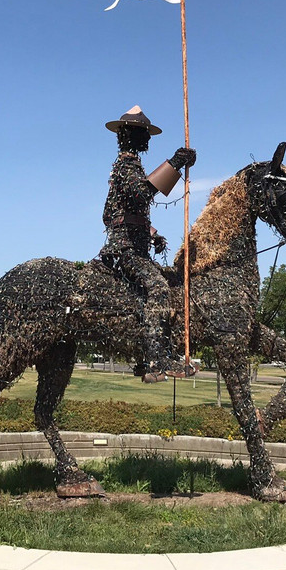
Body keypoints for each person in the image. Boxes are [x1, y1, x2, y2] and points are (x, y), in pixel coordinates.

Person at [99, 106, 196, 382]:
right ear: (129, 135)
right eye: (144, 134)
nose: (148, 140)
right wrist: (175, 164)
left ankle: (145, 354)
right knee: (158, 289)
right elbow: (141, 195)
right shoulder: (125, 165)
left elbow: (110, 214)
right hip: (125, 251)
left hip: (136, 247)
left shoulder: (127, 167)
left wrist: (151, 232)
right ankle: (157, 360)